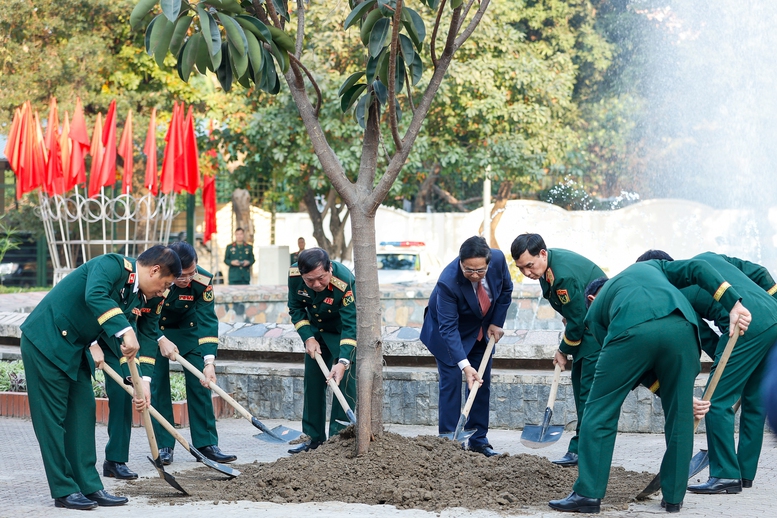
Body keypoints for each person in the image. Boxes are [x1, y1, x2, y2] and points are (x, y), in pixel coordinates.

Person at [549, 259, 751, 514]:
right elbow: (698, 267)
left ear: (590, 297)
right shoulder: (655, 268)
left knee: (599, 412)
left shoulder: (594, 311)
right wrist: (733, 303)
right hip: (684, 330)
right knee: (680, 418)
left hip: (631, 331)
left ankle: (587, 494)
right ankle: (674, 498)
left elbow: (630, 369)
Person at [19, 246, 180, 510]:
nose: (163, 291)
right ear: (154, 270)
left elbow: (128, 343)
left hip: (74, 347)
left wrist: (139, 382)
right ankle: (64, 489)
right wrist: (126, 331)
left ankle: (90, 486)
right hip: (46, 341)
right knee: (52, 420)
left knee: (83, 413)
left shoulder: (136, 295)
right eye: (164, 284)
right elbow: (95, 295)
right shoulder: (112, 265)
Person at [683, 252, 777, 494]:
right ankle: (744, 473)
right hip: (773, 316)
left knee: (716, 401)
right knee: (754, 403)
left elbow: (700, 334)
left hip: (746, 327)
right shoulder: (710, 258)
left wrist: (727, 367)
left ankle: (725, 474)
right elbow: (758, 272)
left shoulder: (674, 290)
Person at [511, 233, 604, 466]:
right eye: (521, 269)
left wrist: (562, 351)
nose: (527, 273)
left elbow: (579, 322)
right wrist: (569, 315)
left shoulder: (561, 276)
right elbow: (572, 310)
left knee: (587, 396)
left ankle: (584, 452)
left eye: (529, 266)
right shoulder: (547, 268)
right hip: (589, 331)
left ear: (542, 253)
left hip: (596, 334)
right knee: (583, 391)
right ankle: (582, 450)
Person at [420, 236, 513, 456]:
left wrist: (496, 322)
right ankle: (450, 443)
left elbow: (506, 290)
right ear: (460, 262)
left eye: (480, 271)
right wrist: (464, 365)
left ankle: (478, 440)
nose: (474, 275)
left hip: (481, 330)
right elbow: (448, 328)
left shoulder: (498, 259)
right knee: (451, 383)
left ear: (488, 263)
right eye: (468, 270)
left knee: (481, 383)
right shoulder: (448, 282)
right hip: (448, 334)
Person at [152, 241, 237, 465]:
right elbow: (144, 315)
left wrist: (209, 362)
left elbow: (207, 321)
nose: (188, 279)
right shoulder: (156, 277)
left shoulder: (202, 281)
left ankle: (206, 444)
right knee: (158, 387)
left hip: (188, 333)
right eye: (182, 276)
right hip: (154, 332)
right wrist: (161, 339)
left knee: (201, 383)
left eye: (192, 273)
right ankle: (164, 445)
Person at [287, 247, 357, 454]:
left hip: (341, 331)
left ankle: (339, 439)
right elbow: (295, 307)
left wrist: (343, 362)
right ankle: (313, 438)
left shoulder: (345, 281)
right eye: (310, 280)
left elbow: (350, 325)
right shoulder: (294, 275)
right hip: (316, 333)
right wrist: (308, 337)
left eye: (321, 278)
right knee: (314, 383)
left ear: (330, 270)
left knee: (343, 383)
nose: (316, 284)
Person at [99, 291, 166, 481]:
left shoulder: (157, 294)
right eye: (164, 284)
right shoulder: (123, 284)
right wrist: (92, 344)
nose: (163, 291)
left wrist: (144, 382)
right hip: (91, 334)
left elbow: (147, 333)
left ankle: (115, 461)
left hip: (122, 342)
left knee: (123, 390)